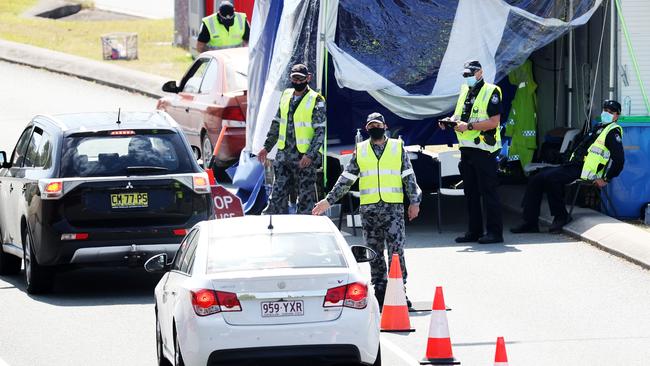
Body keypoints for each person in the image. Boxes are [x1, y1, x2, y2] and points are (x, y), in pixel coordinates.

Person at [312, 112, 422, 308]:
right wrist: (328, 201)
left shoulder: (397, 147)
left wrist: (415, 202)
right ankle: (380, 291)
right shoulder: (360, 150)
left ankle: (399, 290)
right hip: (370, 211)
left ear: (385, 126)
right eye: (371, 126)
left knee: (396, 252)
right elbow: (346, 179)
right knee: (374, 253)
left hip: (393, 209)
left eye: (377, 125)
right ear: (366, 129)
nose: (374, 128)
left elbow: (408, 177)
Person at [511, 100, 625, 233]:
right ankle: (530, 222)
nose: (606, 113)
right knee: (536, 178)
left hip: (585, 171)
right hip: (573, 166)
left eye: (611, 112)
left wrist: (606, 179)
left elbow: (619, 160)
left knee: (551, 178)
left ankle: (561, 216)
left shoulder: (612, 132)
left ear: (616, 116)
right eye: (605, 110)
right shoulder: (598, 127)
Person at [439, 60, 504, 244]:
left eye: (470, 74)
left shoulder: (492, 90)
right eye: (465, 75)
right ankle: (474, 232)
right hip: (467, 150)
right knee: (471, 193)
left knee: (489, 192)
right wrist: (449, 121)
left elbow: (493, 122)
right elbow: (459, 115)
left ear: (480, 72)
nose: (467, 78)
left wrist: (467, 126)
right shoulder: (465, 91)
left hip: (484, 150)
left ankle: (495, 233)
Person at [257, 64, 326, 214]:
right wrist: (267, 147)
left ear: (308, 78)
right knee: (277, 195)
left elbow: (320, 131)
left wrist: (310, 154)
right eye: (294, 78)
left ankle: (304, 230)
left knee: (305, 198)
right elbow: (277, 122)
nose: (297, 82)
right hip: (284, 155)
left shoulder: (316, 99)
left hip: (304, 157)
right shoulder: (286, 95)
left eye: (301, 79)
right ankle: (275, 226)